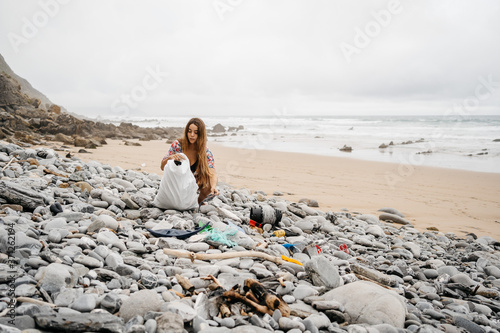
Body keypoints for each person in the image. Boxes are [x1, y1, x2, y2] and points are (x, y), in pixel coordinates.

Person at [160, 118, 219, 203]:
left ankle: (197, 203)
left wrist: (213, 186)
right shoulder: (178, 145)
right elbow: (162, 167)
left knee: (209, 184)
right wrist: (170, 158)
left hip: (192, 187)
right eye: (189, 131)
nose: (192, 135)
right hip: (176, 185)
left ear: (201, 134)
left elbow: (212, 172)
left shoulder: (205, 152)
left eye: (196, 133)